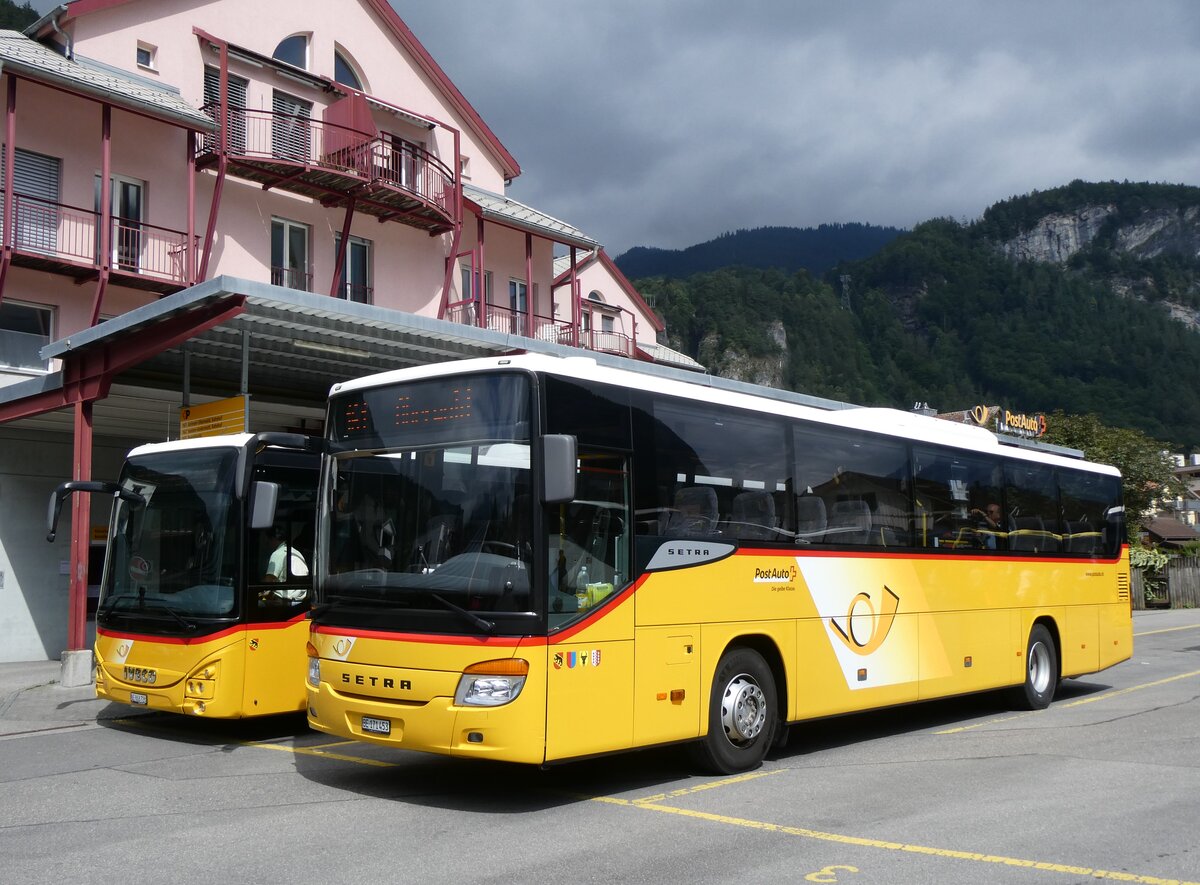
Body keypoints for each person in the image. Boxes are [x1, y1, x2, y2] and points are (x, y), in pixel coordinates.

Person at [263, 525, 309, 602]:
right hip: (300, 601)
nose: (267, 544)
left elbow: (269, 580)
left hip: (284, 602)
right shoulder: (297, 553)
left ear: (273, 539)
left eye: (268, 540)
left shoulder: (278, 554)